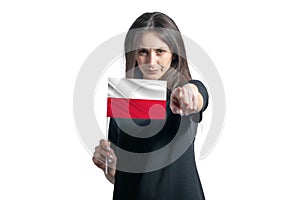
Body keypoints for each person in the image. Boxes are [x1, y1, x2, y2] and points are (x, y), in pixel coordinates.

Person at [93, 12, 209, 200]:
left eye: (160, 52)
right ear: (134, 55)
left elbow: (199, 95)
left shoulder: (183, 92)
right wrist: (109, 166)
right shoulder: (124, 96)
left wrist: (191, 93)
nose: (151, 62)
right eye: (143, 52)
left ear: (173, 54)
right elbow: (119, 175)